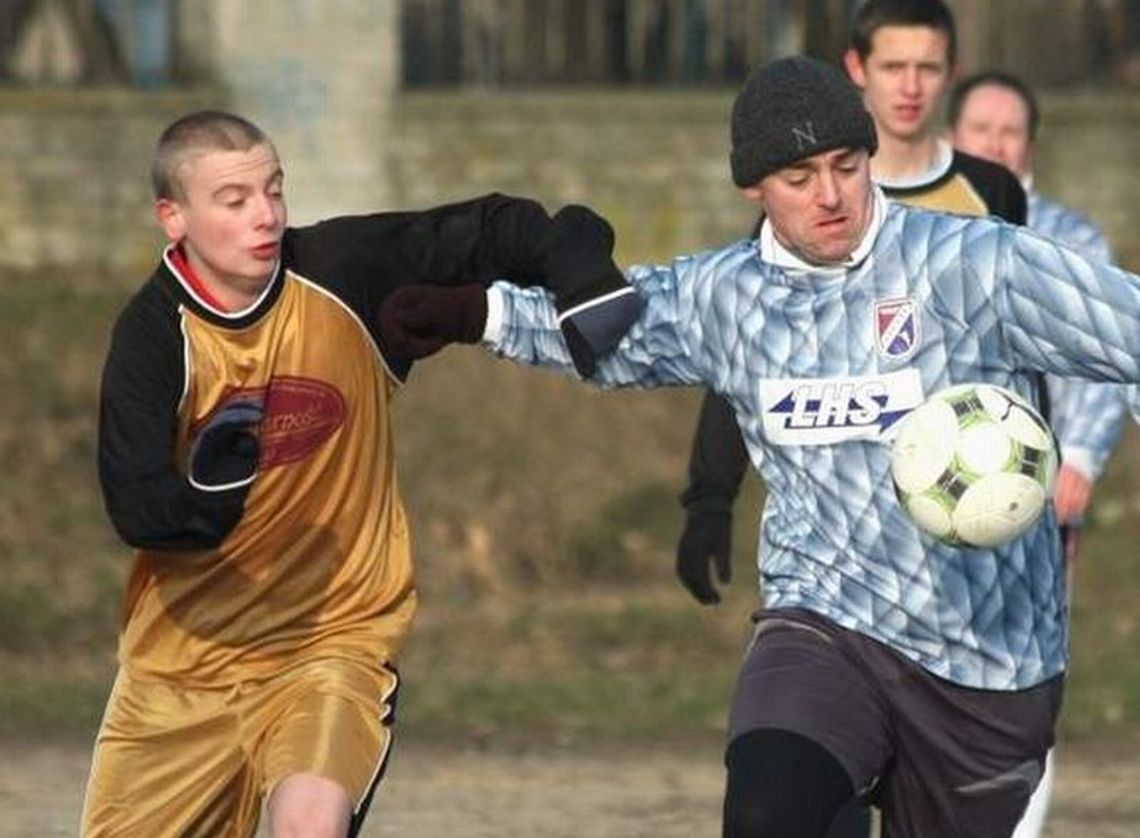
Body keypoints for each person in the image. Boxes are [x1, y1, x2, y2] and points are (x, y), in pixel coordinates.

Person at [378, 56, 1140, 837]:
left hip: (991, 662)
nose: (832, 194)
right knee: (767, 812)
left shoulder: (976, 265)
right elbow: (612, 333)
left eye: (847, 165)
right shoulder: (727, 294)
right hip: (826, 625)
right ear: (754, 187)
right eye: (800, 176)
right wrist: (477, 313)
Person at [82, 109, 634, 838]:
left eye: (274, 189)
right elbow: (137, 507)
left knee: (310, 823)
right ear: (173, 218)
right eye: (235, 200)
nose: (266, 215)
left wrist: (584, 270)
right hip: (183, 667)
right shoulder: (153, 336)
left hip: (332, 641)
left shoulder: (342, 271)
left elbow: (497, 229)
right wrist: (212, 495)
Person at [677, 0, 1029, 610]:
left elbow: (1023, 350)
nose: (911, 87)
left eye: (928, 67)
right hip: (839, 529)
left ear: (952, 70)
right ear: (857, 69)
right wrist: (710, 496)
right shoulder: (810, 207)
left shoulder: (990, 192)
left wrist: (1035, 472)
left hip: (965, 502)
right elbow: (744, 348)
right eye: (894, 67)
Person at [947, 68, 1131, 838]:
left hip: (1036, 502)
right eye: (981, 129)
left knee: (1023, 680)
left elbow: (1103, 365)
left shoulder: (1073, 240)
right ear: (953, 137)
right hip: (926, 501)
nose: (995, 142)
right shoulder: (905, 230)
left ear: (1031, 145)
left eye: (1010, 131)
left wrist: (1081, 459)